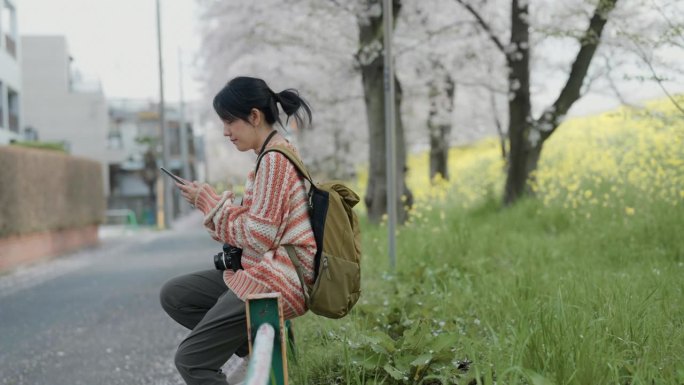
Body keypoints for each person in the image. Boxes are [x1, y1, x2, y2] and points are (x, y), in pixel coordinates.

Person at [159, 76, 317, 385]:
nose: (225, 131)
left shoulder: (274, 159)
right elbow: (257, 229)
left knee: (191, 361)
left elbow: (259, 237)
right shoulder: (269, 156)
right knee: (175, 296)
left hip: (276, 280)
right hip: (261, 270)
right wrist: (214, 203)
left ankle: (261, 341)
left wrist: (211, 205)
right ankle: (257, 343)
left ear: (254, 116)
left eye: (230, 121)